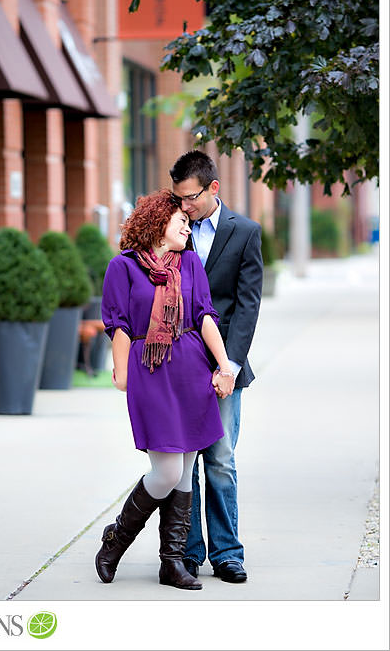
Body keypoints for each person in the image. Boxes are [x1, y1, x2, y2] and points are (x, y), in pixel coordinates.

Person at [95, 189, 236, 590]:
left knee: (187, 471)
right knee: (167, 470)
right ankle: (114, 541)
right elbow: (118, 325)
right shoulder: (122, 268)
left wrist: (223, 365)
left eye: (189, 224)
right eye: (182, 223)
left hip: (191, 368)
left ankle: (172, 563)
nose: (188, 229)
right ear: (159, 224)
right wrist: (121, 371)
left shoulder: (190, 263)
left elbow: (205, 315)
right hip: (149, 370)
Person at [169, 150, 262, 584]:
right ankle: (186, 553)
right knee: (183, 462)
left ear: (213, 189)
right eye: (178, 198)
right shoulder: (171, 230)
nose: (183, 207)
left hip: (224, 366)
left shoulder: (245, 233)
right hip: (178, 364)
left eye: (190, 198)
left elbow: (247, 308)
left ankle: (227, 553)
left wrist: (231, 365)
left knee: (220, 459)